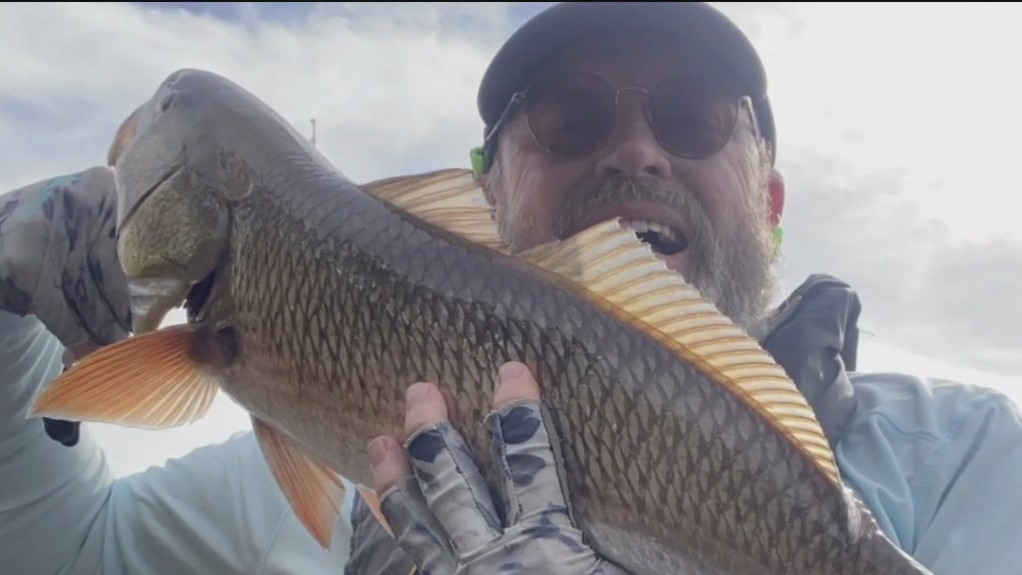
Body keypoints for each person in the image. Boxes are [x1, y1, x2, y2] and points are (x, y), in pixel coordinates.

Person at [2, 2, 1020, 574]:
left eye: (694, 116)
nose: (636, 150)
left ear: (773, 198)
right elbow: (59, 552)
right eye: (570, 119)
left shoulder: (967, 453)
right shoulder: (330, 464)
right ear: (481, 193)